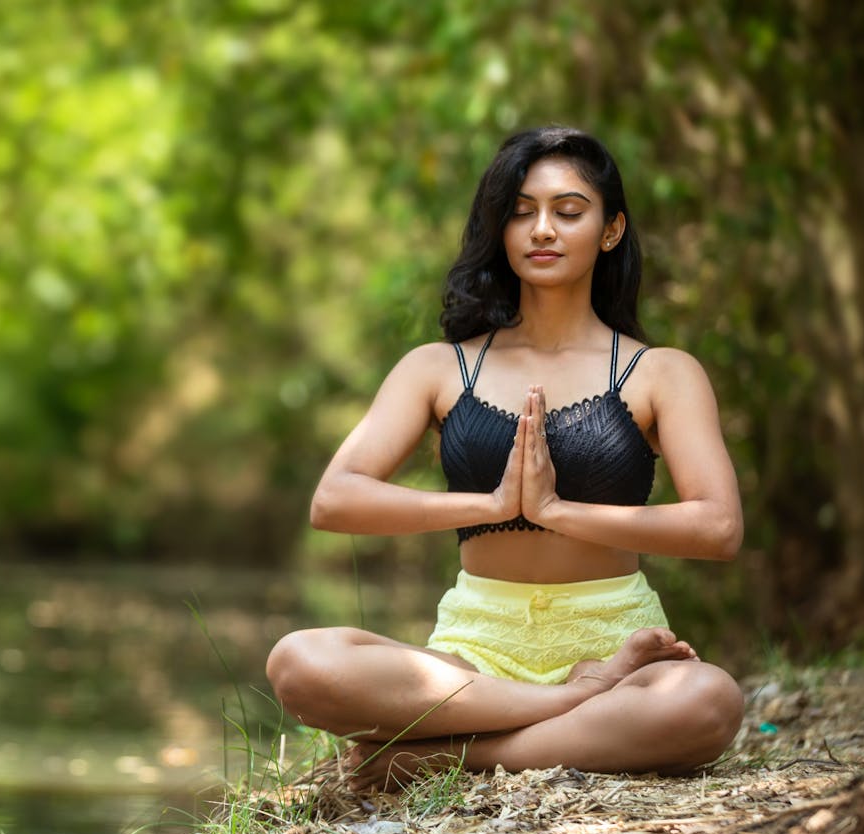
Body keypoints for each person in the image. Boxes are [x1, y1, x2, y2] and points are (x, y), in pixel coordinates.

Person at [265, 126, 746, 792]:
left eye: (568, 211)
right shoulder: (440, 366)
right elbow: (335, 498)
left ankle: (436, 754)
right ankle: (572, 705)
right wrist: (492, 506)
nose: (542, 228)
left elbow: (718, 527)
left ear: (609, 230)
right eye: (522, 211)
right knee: (300, 661)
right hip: (472, 654)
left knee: (709, 700)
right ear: (500, 227)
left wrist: (559, 511)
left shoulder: (659, 372)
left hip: (613, 633)